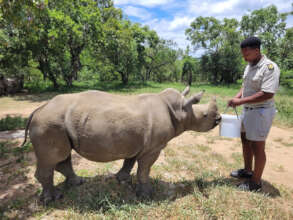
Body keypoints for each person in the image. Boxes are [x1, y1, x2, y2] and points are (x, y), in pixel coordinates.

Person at [227, 36, 280, 191]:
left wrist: (241, 101)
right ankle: (248, 170)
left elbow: (267, 93)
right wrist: (238, 96)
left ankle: (255, 182)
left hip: (260, 112)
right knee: (245, 140)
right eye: (243, 54)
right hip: (247, 111)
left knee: (257, 146)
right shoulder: (250, 65)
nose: (244, 57)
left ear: (257, 50)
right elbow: (246, 86)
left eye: (247, 54)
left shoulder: (270, 67)